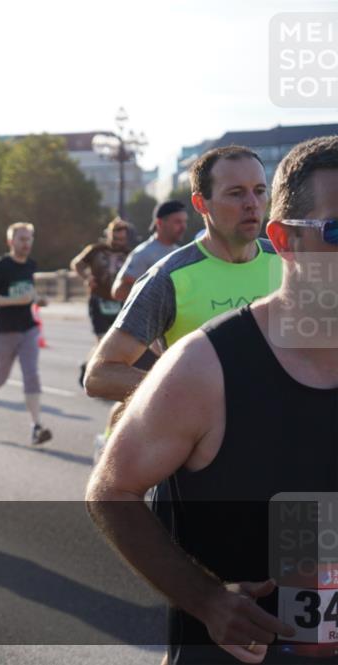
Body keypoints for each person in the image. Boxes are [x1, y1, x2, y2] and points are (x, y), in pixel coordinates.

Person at [86, 135, 338, 665]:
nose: (249, 203)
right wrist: (206, 600)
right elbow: (111, 489)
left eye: (257, 191)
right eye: (337, 231)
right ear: (285, 240)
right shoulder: (200, 360)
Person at [84, 146, 281, 405]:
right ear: (200, 203)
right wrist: (191, 394)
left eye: (260, 191)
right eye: (236, 193)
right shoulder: (168, 277)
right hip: (206, 431)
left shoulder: (291, 263)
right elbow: (99, 375)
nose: (252, 203)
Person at [0, 222, 51, 445]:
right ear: (11, 241)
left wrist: (38, 300)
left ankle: (36, 426)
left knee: (31, 375)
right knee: (0, 377)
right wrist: (16, 300)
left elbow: (29, 292)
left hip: (28, 328)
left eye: (29, 239)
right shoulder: (1, 266)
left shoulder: (31, 265)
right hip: (4, 331)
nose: (26, 243)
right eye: (22, 239)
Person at [71, 218, 132, 384]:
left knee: (115, 341)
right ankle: (94, 373)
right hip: (98, 300)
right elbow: (77, 263)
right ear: (109, 235)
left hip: (119, 301)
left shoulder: (129, 254)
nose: (118, 242)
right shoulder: (96, 250)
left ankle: (91, 367)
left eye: (122, 239)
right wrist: (87, 277)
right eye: (116, 238)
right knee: (102, 339)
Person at [111, 200, 190, 302]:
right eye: (177, 222)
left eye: (185, 222)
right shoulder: (143, 253)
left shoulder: (181, 253)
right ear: (159, 223)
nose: (183, 227)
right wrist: (153, 292)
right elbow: (118, 291)